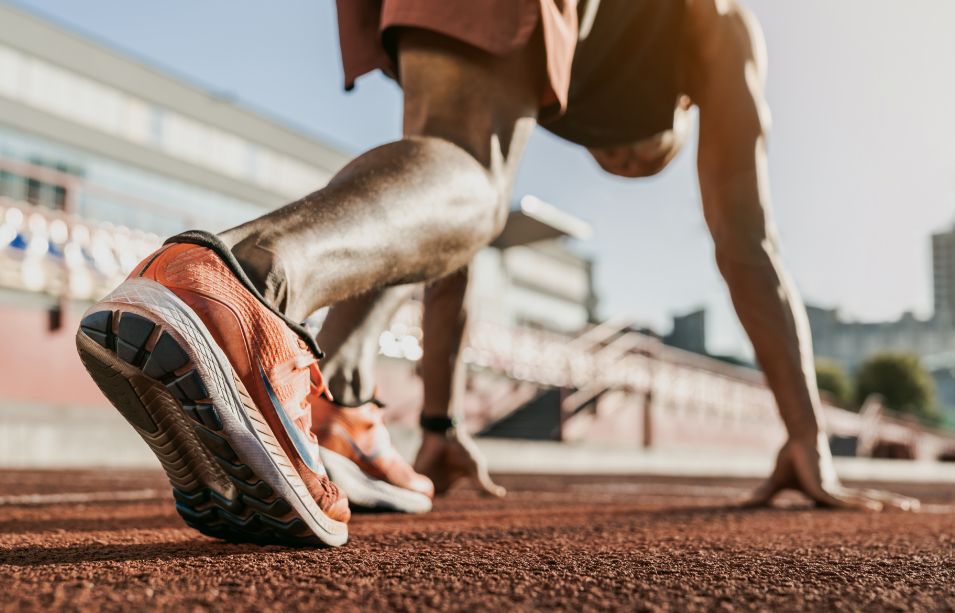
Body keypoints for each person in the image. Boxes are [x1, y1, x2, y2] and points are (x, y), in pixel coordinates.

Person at [74, 0, 915, 549]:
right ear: (681, 112)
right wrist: (807, 437)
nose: (620, 159)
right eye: (640, 154)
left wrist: (439, 420)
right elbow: (747, 242)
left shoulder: (578, 56)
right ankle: (237, 284)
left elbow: (433, 244)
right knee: (471, 183)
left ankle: (336, 404)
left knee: (440, 184)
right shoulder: (718, 24)